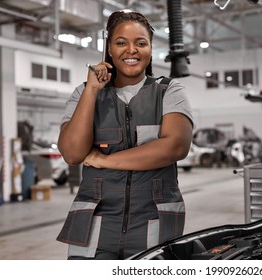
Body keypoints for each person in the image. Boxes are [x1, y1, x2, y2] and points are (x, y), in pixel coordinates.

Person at [56, 11, 194, 260]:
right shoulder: (83, 94)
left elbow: (175, 146)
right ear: (108, 49)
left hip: (153, 222)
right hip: (95, 227)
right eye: (121, 42)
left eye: (140, 43)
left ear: (151, 49)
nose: (131, 50)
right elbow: (73, 153)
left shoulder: (168, 91)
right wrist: (92, 91)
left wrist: (105, 160)